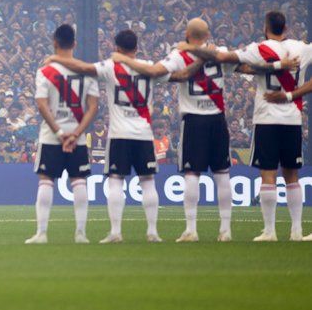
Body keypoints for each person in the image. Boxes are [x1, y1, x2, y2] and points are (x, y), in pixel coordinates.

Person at [112, 18, 296, 242]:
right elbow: (250, 67)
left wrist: (125, 61)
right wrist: (278, 65)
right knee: (222, 174)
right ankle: (225, 230)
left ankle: (191, 229)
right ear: (207, 35)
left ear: (187, 34)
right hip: (217, 119)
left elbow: (156, 71)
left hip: (193, 120)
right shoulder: (219, 52)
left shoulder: (179, 55)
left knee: (192, 174)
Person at [47, 30, 192, 243]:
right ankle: (152, 232)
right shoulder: (150, 67)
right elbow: (180, 76)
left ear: (117, 47)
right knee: (148, 182)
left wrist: (55, 58)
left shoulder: (110, 66)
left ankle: (116, 232)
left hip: (119, 135)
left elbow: (83, 68)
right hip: (143, 134)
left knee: (115, 181)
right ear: (136, 47)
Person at [182, 11, 311, 241]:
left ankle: (270, 231)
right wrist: (292, 95)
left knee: (268, 175)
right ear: (286, 28)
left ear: (265, 27)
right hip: (292, 118)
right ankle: (297, 232)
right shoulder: (301, 48)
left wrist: (190, 47)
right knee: (292, 175)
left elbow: (223, 58)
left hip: (266, 119)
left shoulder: (257, 49)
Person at [25, 24, 99, 245]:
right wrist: (75, 133)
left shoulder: (44, 72)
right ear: (74, 44)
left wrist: (58, 132)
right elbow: (93, 107)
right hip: (77, 137)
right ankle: (81, 233)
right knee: (79, 182)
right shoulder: (87, 72)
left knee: (46, 181)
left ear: (54, 43)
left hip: (51, 136)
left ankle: (41, 233)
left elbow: (41, 104)